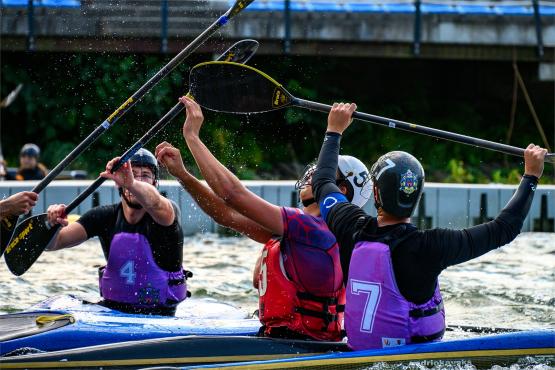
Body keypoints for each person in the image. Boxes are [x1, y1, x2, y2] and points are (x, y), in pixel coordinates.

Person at [311, 102, 548, 350]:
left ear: (377, 194)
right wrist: (531, 176)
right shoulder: (430, 246)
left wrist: (333, 131)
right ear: (417, 196)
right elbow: (504, 229)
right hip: (412, 358)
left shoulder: (349, 225)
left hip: (357, 352)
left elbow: (323, 181)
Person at [154, 96, 372, 341]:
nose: (312, 176)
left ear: (341, 190)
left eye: (322, 175)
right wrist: (183, 175)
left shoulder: (314, 231)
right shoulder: (301, 230)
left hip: (300, 345)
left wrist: (193, 138)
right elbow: (226, 215)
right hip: (282, 337)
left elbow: (232, 194)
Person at [46, 149, 187, 316]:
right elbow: (54, 243)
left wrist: (132, 183)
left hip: (160, 316)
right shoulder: (104, 217)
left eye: (145, 175)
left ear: (155, 183)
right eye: (132, 174)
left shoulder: (166, 213)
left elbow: (156, 203)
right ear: (118, 182)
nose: (136, 179)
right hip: (112, 313)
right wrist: (52, 225)